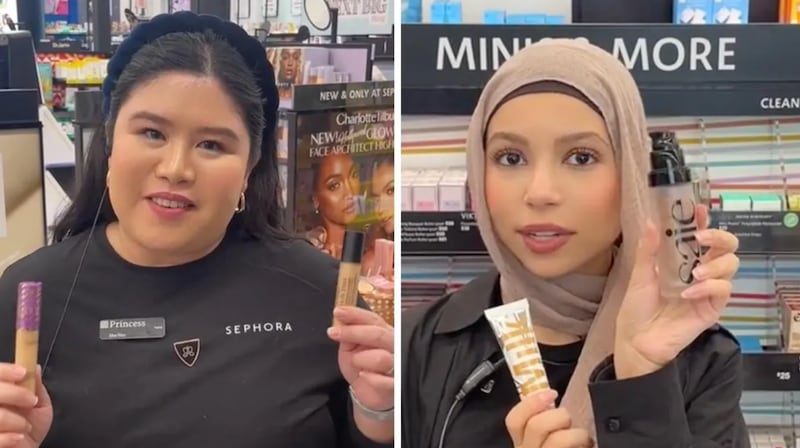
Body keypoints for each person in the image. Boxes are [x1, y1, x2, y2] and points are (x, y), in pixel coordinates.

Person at [0, 12, 393, 448]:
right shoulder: (30, 296)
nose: (175, 169)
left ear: (249, 169)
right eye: (152, 133)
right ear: (110, 142)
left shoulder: (323, 295)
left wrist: (381, 414)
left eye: (211, 145)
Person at [402, 39, 744, 448]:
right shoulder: (422, 342)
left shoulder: (700, 356)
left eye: (581, 157)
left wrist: (641, 380)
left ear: (630, 173)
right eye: (510, 158)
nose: (540, 192)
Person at [308, 152, 362, 259]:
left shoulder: (368, 250)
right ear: (316, 200)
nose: (350, 193)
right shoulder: (313, 255)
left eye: (354, 175)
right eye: (335, 185)